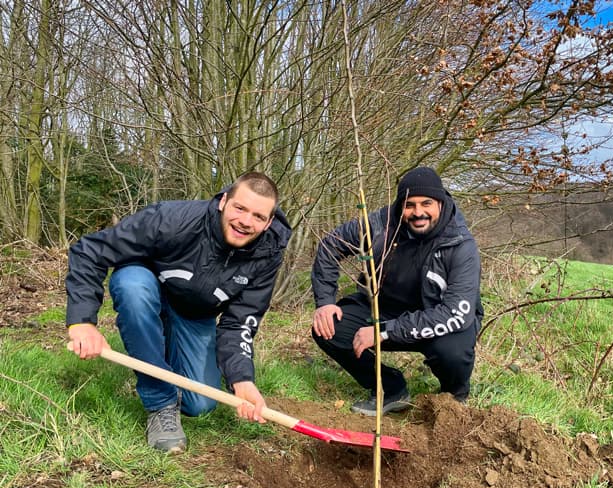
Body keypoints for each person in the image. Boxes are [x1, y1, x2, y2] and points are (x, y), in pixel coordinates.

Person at [66, 172, 291, 452]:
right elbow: (89, 251)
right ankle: (160, 404)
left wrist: (241, 379)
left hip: (194, 315)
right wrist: (82, 321)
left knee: (200, 405)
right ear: (223, 202)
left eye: (258, 216)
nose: (246, 222)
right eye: (240, 208)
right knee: (131, 285)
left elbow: (239, 323)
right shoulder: (172, 220)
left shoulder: (267, 255)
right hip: (149, 290)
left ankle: (165, 351)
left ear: (269, 222)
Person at [311, 166, 482, 416]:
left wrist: (385, 332)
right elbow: (330, 245)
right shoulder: (382, 224)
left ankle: (453, 399)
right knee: (328, 329)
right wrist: (325, 301)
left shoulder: (460, 245)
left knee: (452, 351)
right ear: (400, 205)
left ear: (441, 203)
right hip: (385, 309)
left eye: (426, 203)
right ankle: (390, 389)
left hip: (438, 316)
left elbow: (456, 313)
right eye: (409, 205)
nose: (418, 213)